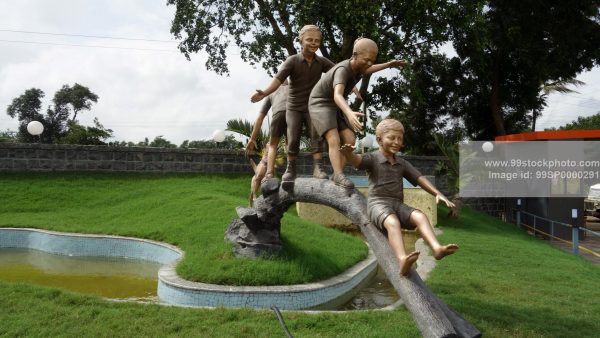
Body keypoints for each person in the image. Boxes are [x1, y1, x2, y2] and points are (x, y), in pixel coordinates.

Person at [341, 118, 459, 276]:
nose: (397, 142)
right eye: (392, 138)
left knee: (420, 216)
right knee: (392, 221)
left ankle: (436, 248)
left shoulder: (402, 163)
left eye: (400, 139)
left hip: (397, 204)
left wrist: (438, 193)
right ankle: (402, 258)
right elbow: (357, 161)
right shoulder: (373, 158)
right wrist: (349, 154)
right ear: (379, 139)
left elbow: (419, 178)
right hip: (378, 204)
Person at [308, 38, 406, 190]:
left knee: (350, 139)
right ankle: (339, 174)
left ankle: (336, 175)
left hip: (335, 105)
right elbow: (337, 95)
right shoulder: (342, 70)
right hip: (321, 103)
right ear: (354, 55)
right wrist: (349, 113)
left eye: (372, 60)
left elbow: (368, 70)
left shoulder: (359, 67)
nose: (369, 63)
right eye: (367, 60)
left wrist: (388, 65)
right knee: (333, 138)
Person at [250, 25, 335, 190]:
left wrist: (350, 85)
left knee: (316, 135)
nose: (313, 43)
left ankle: (318, 167)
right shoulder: (293, 60)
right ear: (301, 40)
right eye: (309, 40)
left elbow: (338, 71)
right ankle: (291, 169)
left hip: (312, 106)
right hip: (294, 107)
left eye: (317, 40)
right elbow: (278, 79)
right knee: (293, 138)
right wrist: (265, 92)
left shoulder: (321, 61)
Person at [246, 82, 289, 205]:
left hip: (277, 117)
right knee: (288, 143)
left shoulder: (271, 92)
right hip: (292, 115)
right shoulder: (293, 88)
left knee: (273, 145)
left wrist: (252, 139)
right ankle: (290, 171)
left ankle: (270, 173)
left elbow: (260, 118)